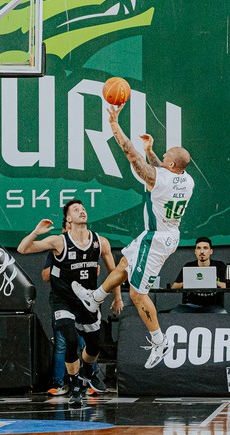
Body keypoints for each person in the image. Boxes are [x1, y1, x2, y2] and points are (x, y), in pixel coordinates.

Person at [71, 109, 194, 370]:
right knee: (124, 264)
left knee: (138, 294)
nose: (162, 156)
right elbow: (160, 169)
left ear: (172, 164)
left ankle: (159, 341)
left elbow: (130, 154)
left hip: (157, 239)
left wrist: (114, 124)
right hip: (161, 233)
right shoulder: (187, 180)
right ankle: (96, 297)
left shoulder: (159, 179)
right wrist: (150, 150)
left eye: (166, 155)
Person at [18, 199, 121, 405]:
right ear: (68, 219)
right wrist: (36, 232)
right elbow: (22, 249)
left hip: (88, 300)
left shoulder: (100, 242)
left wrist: (117, 296)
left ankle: (86, 372)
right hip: (62, 299)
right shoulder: (59, 241)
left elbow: (115, 271)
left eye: (83, 209)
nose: (81, 211)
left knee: (94, 345)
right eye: (76, 210)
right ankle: (74, 384)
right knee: (70, 341)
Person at [169, 236, 230, 314]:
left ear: (211, 251)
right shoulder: (188, 266)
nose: (202, 251)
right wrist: (190, 281)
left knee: (222, 313)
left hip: (213, 306)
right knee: (174, 313)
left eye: (205, 248)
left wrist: (213, 281)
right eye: (199, 248)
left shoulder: (220, 265)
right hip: (190, 306)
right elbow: (174, 287)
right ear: (195, 251)